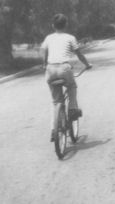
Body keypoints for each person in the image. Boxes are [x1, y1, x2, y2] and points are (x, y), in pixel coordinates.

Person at [41, 14, 92, 142]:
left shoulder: (48, 38)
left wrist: (44, 64)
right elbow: (79, 54)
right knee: (72, 86)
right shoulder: (70, 38)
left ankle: (54, 130)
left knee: (56, 102)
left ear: (53, 25)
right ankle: (73, 109)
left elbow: (43, 51)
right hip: (64, 68)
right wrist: (87, 64)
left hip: (51, 69)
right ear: (66, 25)